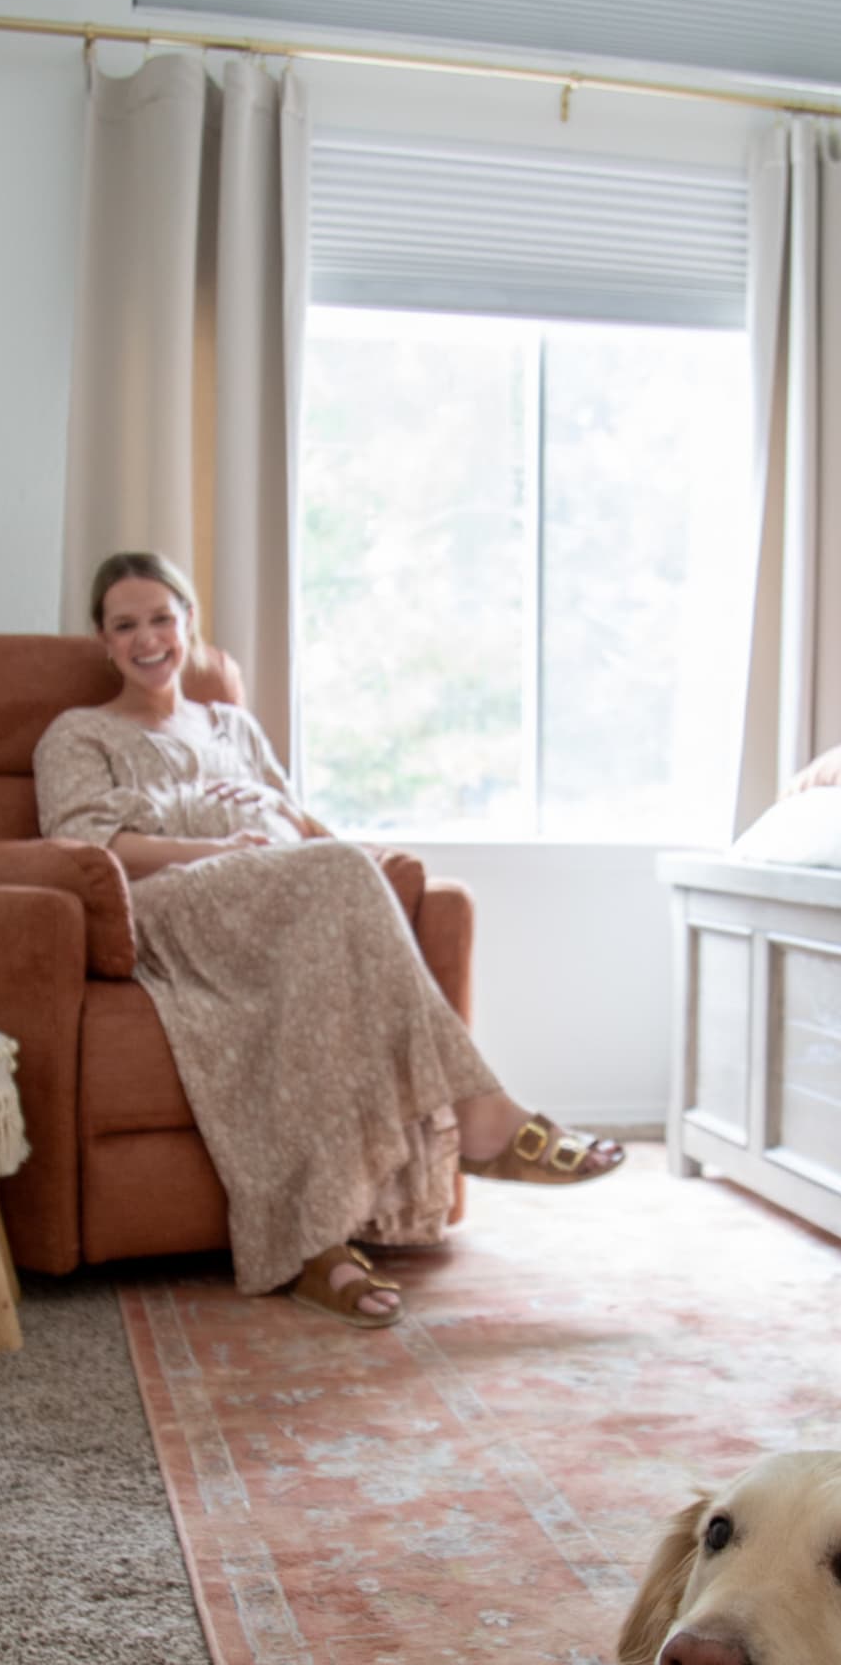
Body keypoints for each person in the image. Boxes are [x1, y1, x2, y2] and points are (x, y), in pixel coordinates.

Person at [33, 550, 623, 1328]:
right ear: (102, 641)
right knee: (336, 869)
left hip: (276, 901)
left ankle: (319, 1242)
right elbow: (85, 843)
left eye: (162, 619)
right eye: (125, 624)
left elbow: (305, 825)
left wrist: (352, 876)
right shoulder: (78, 733)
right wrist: (212, 851)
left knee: (340, 894)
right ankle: (482, 1116)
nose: (147, 638)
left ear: (189, 627)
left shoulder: (233, 726)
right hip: (174, 906)